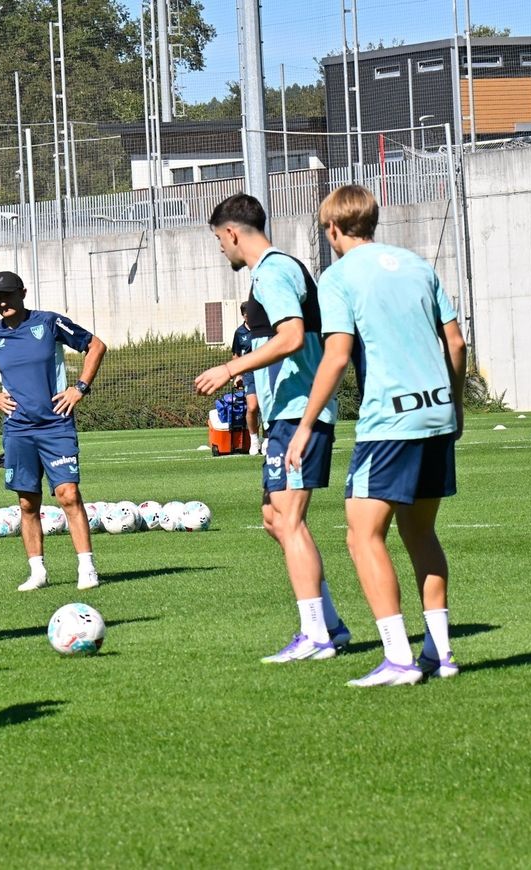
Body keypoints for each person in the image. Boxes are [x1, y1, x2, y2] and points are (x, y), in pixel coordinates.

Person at [285, 184, 466, 688]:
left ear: (334, 229)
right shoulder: (416, 265)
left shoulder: (338, 277)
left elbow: (337, 355)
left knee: (361, 534)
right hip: (436, 416)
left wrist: (304, 426)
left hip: (389, 422)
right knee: (420, 533)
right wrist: (454, 404)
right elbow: (454, 341)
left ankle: (399, 659)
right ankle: (441, 653)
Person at [194, 193, 351, 663]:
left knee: (290, 520)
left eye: (219, 241)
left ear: (232, 233)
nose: (222, 251)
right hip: (286, 411)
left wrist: (229, 367)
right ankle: (331, 625)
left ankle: (315, 636)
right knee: (273, 519)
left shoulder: (273, 272)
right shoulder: (272, 271)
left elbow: (292, 336)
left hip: (301, 413)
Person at [0, 270, 107, 592]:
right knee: (28, 503)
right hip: (18, 430)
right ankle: (37, 572)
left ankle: (87, 567)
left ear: (23, 293)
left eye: (9, 294)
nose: (3, 302)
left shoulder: (48, 323)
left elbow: (96, 346)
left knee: (68, 495)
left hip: (56, 425)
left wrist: (79, 388)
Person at [231, 301, 263, 454]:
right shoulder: (239, 333)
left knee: (267, 406)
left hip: (265, 371)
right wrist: (237, 374)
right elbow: (236, 355)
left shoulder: (263, 329)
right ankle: (254, 440)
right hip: (249, 373)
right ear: (243, 315)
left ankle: (268, 440)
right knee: (252, 406)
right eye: (246, 314)